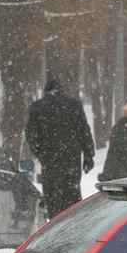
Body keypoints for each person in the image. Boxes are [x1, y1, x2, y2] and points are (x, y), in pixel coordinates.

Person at [24, 78, 95, 217]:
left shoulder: (37, 107)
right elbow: (84, 131)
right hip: (71, 159)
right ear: (61, 90)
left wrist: (41, 153)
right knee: (72, 194)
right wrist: (88, 155)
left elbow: (31, 135)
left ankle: (55, 223)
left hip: (50, 160)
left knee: (52, 196)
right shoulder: (74, 105)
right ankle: (71, 223)